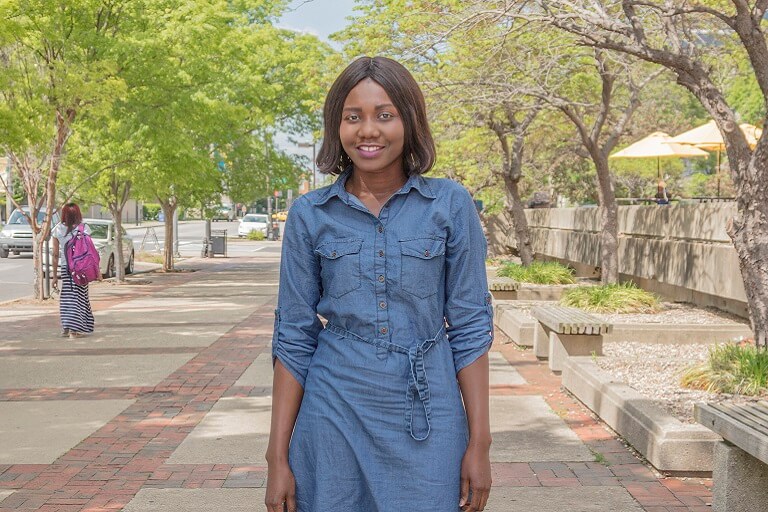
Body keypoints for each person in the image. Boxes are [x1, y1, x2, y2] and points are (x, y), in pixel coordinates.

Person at [266, 57, 494, 512]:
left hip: (427, 408)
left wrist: (480, 444)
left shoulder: (449, 204)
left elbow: (470, 327)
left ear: (409, 121)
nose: (368, 130)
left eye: (384, 115)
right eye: (354, 117)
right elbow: (293, 334)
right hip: (333, 408)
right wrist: (276, 457)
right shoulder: (310, 214)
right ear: (337, 127)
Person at [51, 203, 97, 338]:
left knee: (67, 296)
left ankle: (66, 327)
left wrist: (54, 275)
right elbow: (90, 251)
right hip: (81, 269)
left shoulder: (58, 229)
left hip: (66, 269)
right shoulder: (84, 228)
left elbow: (54, 255)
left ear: (64, 214)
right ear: (78, 214)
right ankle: (74, 330)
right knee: (79, 297)